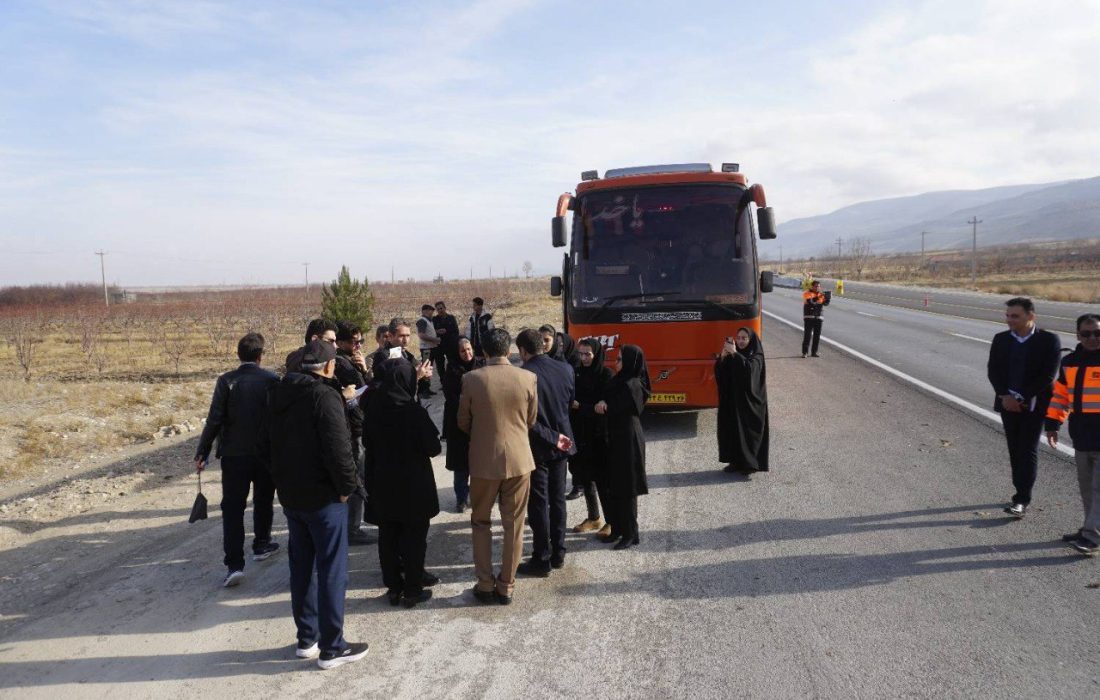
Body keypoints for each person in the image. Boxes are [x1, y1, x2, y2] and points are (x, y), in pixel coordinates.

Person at [258, 340, 367, 669]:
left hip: (292, 496)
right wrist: (348, 488)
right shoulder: (324, 396)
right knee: (332, 570)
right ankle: (333, 647)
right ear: (330, 367)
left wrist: (280, 479)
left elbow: (264, 445)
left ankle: (307, 639)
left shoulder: (277, 393)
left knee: (302, 568)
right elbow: (339, 450)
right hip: (324, 499)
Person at [457, 328, 538, 605]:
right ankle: (507, 586)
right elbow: (531, 419)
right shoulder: (528, 377)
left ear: (484, 352)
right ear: (509, 351)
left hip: (482, 461)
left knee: (481, 522)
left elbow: (462, 422)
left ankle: (485, 583)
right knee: (514, 525)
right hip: (519, 459)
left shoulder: (471, 379)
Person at [194, 332, 280, 588]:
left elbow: (214, 419)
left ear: (238, 355)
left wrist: (203, 451)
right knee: (263, 500)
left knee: (232, 508)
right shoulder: (272, 380)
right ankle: (262, 543)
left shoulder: (226, 381)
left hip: (233, 455)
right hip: (264, 455)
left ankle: (234, 564)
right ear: (260, 355)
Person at [362, 358, 442, 607]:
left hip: (383, 484)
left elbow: (367, 443)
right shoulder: (412, 412)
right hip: (413, 487)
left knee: (388, 538)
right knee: (415, 539)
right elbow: (433, 447)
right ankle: (413, 589)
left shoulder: (373, 410)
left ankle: (394, 588)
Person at [987, 297, 1062, 518]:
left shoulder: (1048, 340)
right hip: (1007, 404)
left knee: (1027, 449)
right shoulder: (1001, 339)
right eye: (1008, 316)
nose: (1010, 320)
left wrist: (1020, 396)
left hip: (1034, 406)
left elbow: (1047, 375)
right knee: (1014, 448)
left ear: (1031, 316)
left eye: (1015, 316)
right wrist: (1005, 396)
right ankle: (1019, 489)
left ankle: (1021, 498)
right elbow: (994, 370)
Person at [515, 328, 576, 577]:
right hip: (562, 444)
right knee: (558, 499)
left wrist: (550, 437)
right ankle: (559, 552)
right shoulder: (566, 369)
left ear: (522, 351)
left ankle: (542, 558)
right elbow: (568, 403)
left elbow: (526, 420)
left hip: (538, 446)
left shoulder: (524, 375)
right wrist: (559, 437)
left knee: (539, 503)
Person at [1045, 313, 1100, 554]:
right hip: (1082, 433)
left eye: (1098, 333)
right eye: (1087, 334)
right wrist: (1053, 423)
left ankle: (1093, 536)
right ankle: (1089, 528)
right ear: (1077, 335)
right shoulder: (1070, 362)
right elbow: (1061, 396)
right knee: (1087, 487)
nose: (1092, 338)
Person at [595, 344, 650, 550]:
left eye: (619, 359)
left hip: (628, 440)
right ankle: (617, 529)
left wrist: (604, 405)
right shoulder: (620, 380)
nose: (615, 363)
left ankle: (630, 534)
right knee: (615, 485)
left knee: (627, 487)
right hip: (616, 438)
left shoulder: (632, 384)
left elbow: (618, 407)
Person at [570, 337, 613, 535]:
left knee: (603, 481)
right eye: (581, 353)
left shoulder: (606, 375)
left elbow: (603, 409)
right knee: (585, 478)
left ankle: (611, 521)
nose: (584, 357)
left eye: (588, 353)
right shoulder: (576, 373)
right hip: (580, 433)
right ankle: (594, 517)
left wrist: (582, 407)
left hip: (599, 435)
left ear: (596, 354)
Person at [334, 322, 372, 546]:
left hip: (357, 424)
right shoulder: (341, 363)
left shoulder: (349, 360)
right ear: (340, 343)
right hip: (353, 428)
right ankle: (352, 529)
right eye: (353, 342)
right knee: (356, 478)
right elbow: (363, 390)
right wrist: (363, 371)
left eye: (360, 341)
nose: (358, 346)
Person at [714, 328, 770, 474]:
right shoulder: (734, 354)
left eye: (744, 338)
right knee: (733, 431)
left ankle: (750, 464)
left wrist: (735, 354)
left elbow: (750, 371)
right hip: (733, 402)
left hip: (751, 404)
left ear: (750, 340)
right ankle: (735, 462)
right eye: (738, 338)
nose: (740, 341)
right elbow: (721, 374)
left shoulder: (756, 355)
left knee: (749, 433)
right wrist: (723, 358)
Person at [442, 337, 483, 513]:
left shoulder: (481, 365)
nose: (467, 354)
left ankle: (478, 497)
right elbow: (451, 397)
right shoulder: (451, 369)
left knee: (479, 464)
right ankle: (461, 499)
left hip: (479, 423)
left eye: (469, 349)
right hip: (458, 423)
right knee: (461, 465)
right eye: (462, 351)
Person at [370, 318, 433, 399]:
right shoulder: (383, 356)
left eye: (408, 336)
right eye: (401, 336)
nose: (406, 340)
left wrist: (425, 375)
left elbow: (419, 385)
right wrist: (416, 376)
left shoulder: (406, 354)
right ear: (390, 336)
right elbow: (391, 388)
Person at [415, 305, 439, 396]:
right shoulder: (422, 321)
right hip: (426, 349)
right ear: (425, 311)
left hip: (430, 348)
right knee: (425, 369)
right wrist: (435, 340)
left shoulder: (428, 321)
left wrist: (437, 331)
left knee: (428, 369)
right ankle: (422, 391)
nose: (432, 313)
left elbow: (428, 332)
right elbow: (421, 335)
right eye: (431, 311)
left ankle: (426, 389)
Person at [433, 300, 461, 375]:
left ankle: (454, 380)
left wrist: (446, 331)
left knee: (453, 363)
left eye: (441, 308)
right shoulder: (434, 319)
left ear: (445, 308)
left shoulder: (451, 318)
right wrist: (437, 331)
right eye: (438, 309)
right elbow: (431, 331)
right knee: (440, 366)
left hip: (450, 345)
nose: (440, 310)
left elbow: (456, 331)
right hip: (439, 346)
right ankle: (443, 383)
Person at [801, 280, 828, 358]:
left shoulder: (821, 294)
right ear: (812, 286)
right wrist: (818, 297)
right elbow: (810, 302)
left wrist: (827, 298)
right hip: (809, 317)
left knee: (817, 336)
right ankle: (805, 352)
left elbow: (825, 304)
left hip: (819, 317)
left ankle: (814, 352)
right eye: (816, 286)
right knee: (807, 336)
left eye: (819, 286)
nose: (817, 288)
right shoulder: (807, 293)